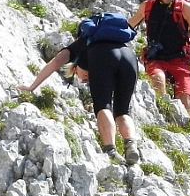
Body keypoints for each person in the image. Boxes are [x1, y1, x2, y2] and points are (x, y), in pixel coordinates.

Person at [20, 28, 141, 166]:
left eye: (79, 75)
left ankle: (111, 151)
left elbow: (54, 64)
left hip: (103, 56)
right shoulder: (113, 40)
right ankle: (131, 144)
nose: (85, 79)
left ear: (75, 65)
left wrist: (32, 86)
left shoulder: (78, 46)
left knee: (103, 106)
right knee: (122, 112)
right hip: (130, 57)